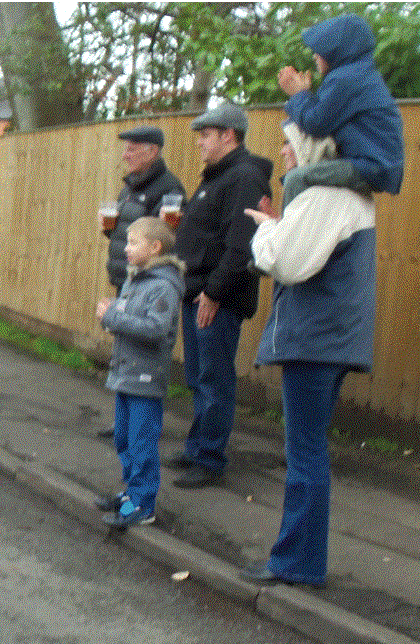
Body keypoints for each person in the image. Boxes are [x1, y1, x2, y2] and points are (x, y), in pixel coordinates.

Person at [238, 122, 376, 588]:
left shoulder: (324, 197)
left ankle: (297, 563)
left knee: (305, 455)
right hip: (330, 341)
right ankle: (302, 560)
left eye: (289, 144)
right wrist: (279, 228)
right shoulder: (347, 196)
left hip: (316, 342)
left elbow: (287, 263)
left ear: (311, 149)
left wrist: (267, 232)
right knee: (308, 452)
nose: (282, 152)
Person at [169, 103, 272, 489]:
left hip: (218, 299)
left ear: (229, 135)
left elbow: (242, 245)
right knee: (198, 377)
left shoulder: (244, 177)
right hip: (197, 294)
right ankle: (197, 447)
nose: (199, 142)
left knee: (214, 379)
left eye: (205, 134)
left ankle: (210, 459)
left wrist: (213, 293)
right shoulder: (218, 176)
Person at [93, 217, 184, 528]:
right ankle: (132, 492)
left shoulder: (163, 286)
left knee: (141, 442)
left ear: (155, 247)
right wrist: (113, 308)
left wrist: (114, 317)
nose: (126, 248)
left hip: (145, 377)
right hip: (126, 375)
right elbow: (130, 315)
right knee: (123, 438)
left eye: (133, 243)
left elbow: (156, 328)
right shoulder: (137, 280)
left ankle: (143, 504)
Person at [96, 126, 185, 439]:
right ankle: (124, 420)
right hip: (127, 278)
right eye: (126, 148)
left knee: (139, 345)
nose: (125, 154)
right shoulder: (129, 187)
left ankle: (138, 426)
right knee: (124, 345)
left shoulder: (169, 188)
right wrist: (112, 230)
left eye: (133, 148)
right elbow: (129, 234)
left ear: (153, 151)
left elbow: (161, 238)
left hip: (147, 282)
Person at [277, 13, 403, 207]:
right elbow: (323, 116)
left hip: (370, 165)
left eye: (320, 50)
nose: (315, 56)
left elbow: (315, 123)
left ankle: (286, 234)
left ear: (336, 50)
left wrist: (297, 95)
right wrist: (303, 95)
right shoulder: (358, 74)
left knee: (297, 178)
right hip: (375, 164)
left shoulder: (347, 79)